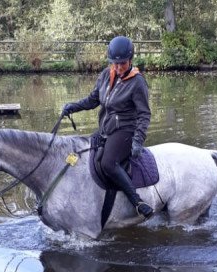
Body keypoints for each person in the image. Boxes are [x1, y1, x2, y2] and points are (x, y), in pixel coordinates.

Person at [62, 35, 153, 219]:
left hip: (125, 130)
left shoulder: (137, 82)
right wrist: (73, 106)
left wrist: (137, 140)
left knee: (108, 163)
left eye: (123, 63)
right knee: (82, 151)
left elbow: (144, 114)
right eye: (115, 63)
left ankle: (138, 202)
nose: (119, 68)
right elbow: (93, 100)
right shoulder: (106, 74)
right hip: (106, 129)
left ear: (130, 60)